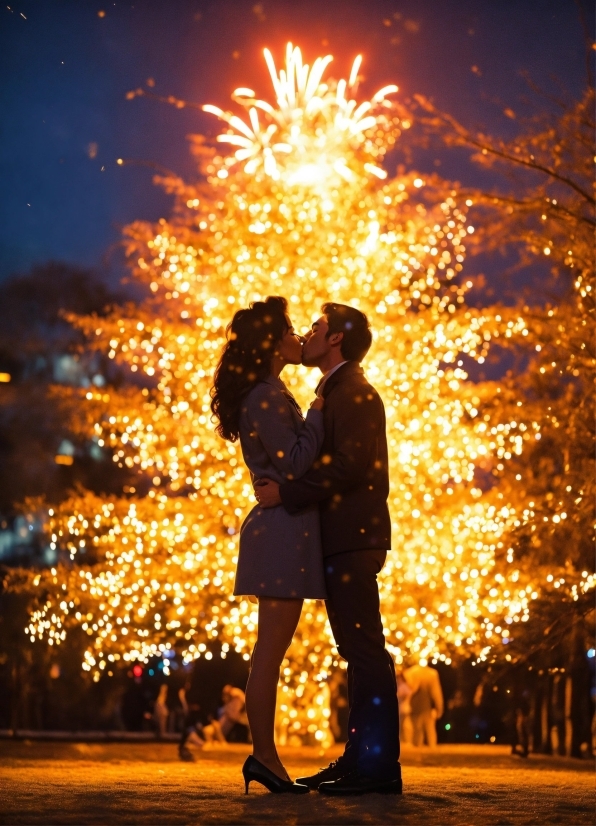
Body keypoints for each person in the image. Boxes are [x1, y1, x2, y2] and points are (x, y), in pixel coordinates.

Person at [256, 303, 401, 795]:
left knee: (365, 652)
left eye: (317, 327)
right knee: (357, 652)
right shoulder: (336, 392)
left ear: (336, 339)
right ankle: (361, 760)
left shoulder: (354, 393)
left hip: (352, 540)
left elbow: (350, 468)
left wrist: (287, 493)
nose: (309, 334)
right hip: (344, 540)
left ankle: (377, 769)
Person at [210, 295, 323, 795]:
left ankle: (265, 757)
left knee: (269, 651)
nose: (298, 337)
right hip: (280, 533)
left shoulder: (269, 389)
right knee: (269, 653)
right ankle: (264, 757)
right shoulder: (264, 395)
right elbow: (296, 462)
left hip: (283, 529)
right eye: (291, 331)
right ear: (273, 343)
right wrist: (322, 408)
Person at [404, 662, 444, 747]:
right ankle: (431, 747)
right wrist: (439, 708)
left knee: (415, 729)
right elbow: (436, 693)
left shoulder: (409, 673)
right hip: (426, 707)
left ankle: (415, 745)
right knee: (430, 729)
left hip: (413, 707)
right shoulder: (432, 674)